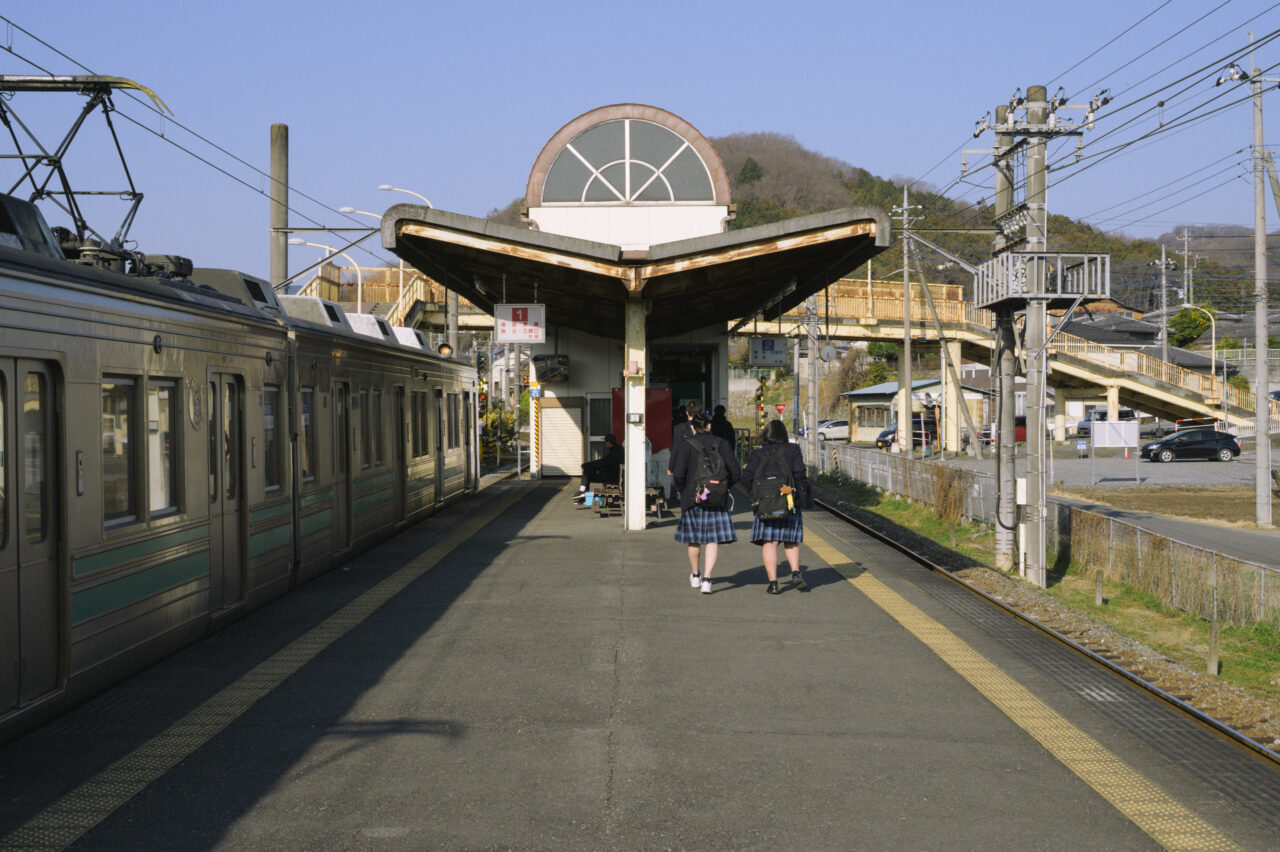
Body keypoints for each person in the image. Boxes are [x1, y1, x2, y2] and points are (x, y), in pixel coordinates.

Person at [740, 419, 813, 594]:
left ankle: (773, 583)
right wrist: (800, 496)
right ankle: (795, 572)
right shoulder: (793, 450)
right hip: (788, 503)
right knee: (791, 542)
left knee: (770, 543)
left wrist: (755, 498)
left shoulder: (758, 454)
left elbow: (746, 478)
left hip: (765, 506)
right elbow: (800, 474)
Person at [672, 409, 740, 594]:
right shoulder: (723, 444)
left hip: (693, 498)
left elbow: (678, 474)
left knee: (694, 540)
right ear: (709, 426)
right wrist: (722, 488)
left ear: (693, 428)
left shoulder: (686, 445)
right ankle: (708, 580)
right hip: (717, 499)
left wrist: (683, 491)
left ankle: (695, 575)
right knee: (712, 539)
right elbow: (735, 472)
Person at [572, 433, 623, 502]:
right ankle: (582, 495)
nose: (604, 443)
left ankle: (582, 493)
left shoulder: (613, 453)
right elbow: (603, 462)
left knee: (587, 474)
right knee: (588, 472)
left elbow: (601, 462)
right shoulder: (618, 449)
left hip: (610, 477)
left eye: (605, 441)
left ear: (608, 442)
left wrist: (586, 465)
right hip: (612, 474)